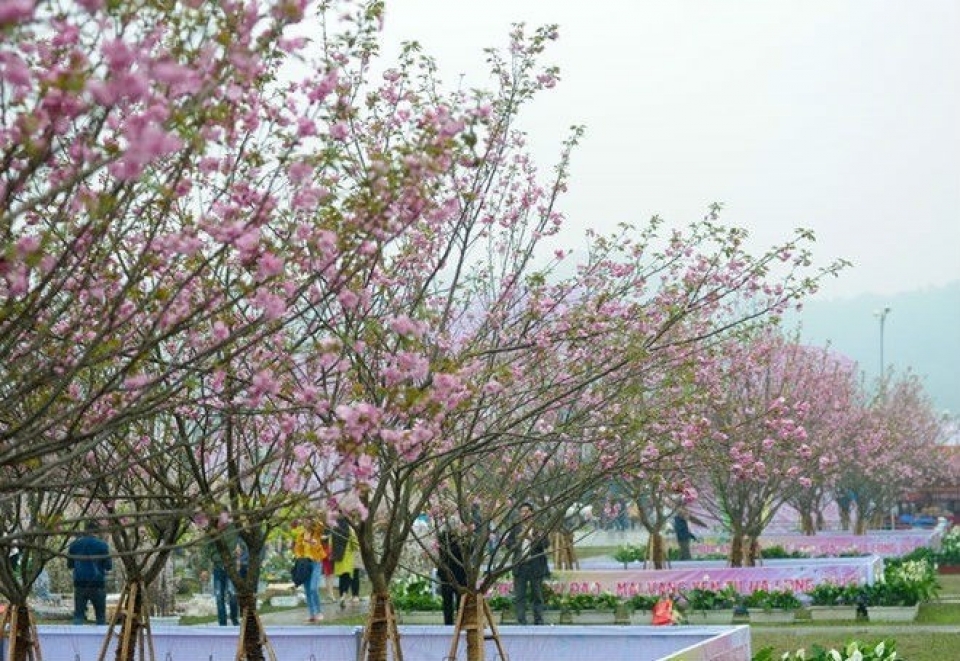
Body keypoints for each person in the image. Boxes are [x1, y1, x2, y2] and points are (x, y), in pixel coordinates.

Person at [505, 502, 549, 625]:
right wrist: (516, 543)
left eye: (526, 511)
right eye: (521, 512)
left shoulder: (539, 527)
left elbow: (545, 544)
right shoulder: (516, 528)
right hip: (520, 566)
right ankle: (521, 620)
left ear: (531, 512)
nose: (523, 514)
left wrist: (532, 539)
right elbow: (508, 544)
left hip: (535, 565)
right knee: (520, 596)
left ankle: (538, 620)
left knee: (537, 595)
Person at [67, 521, 113, 625]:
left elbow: (70, 565)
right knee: (100, 617)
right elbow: (108, 566)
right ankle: (102, 639)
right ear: (96, 532)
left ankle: (76, 638)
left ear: (84, 531)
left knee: (79, 615)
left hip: (80, 583)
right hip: (98, 584)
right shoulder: (102, 545)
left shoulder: (74, 545)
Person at [201, 526, 240, 626]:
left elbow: (244, 542)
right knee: (219, 596)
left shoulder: (234, 529)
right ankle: (222, 624)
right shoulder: (211, 530)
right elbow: (205, 549)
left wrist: (240, 550)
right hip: (218, 567)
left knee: (232, 594)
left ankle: (234, 619)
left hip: (231, 566)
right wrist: (204, 568)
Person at [292, 517, 327, 623]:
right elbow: (297, 549)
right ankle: (312, 614)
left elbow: (321, 526)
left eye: (307, 520)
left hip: (316, 562)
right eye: (304, 521)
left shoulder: (316, 533)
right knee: (307, 590)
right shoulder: (301, 534)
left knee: (313, 588)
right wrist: (299, 557)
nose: (305, 522)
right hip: (305, 564)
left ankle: (319, 612)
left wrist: (316, 519)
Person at [437, 527, 467, 626]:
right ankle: (449, 624)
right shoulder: (443, 538)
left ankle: (459, 623)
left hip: (459, 575)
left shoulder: (463, 539)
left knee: (460, 603)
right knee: (448, 603)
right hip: (447, 574)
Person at [331, 517, 360, 608]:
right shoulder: (350, 529)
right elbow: (355, 543)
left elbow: (330, 543)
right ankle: (343, 596)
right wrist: (356, 548)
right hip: (348, 557)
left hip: (338, 557)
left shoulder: (334, 528)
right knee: (347, 577)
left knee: (341, 578)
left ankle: (341, 597)